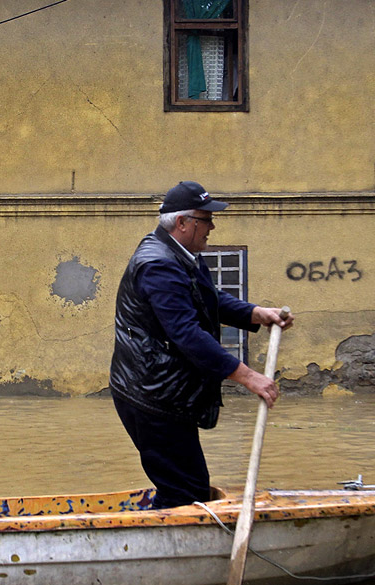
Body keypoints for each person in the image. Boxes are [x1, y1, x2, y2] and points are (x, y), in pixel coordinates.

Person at [109, 181, 294, 509]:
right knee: (185, 489)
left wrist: (255, 314)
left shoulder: (181, 254)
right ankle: (163, 550)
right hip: (151, 395)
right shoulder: (158, 264)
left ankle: (164, 539)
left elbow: (207, 300)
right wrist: (249, 378)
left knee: (185, 484)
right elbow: (187, 334)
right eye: (205, 219)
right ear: (182, 223)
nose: (212, 226)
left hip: (162, 390)